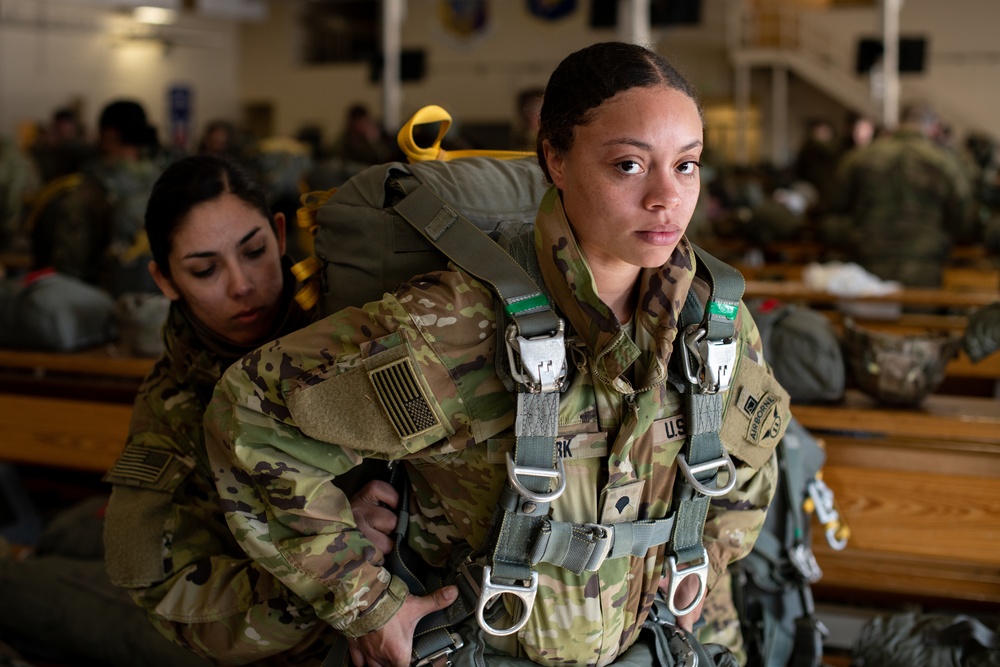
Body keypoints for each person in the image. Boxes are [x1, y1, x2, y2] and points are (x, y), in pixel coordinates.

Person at [204, 42, 787, 667]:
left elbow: (749, 455)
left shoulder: (711, 319)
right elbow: (253, 414)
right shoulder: (461, 327)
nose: (666, 197)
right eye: (628, 165)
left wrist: (707, 558)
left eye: (688, 165)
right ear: (555, 160)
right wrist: (366, 603)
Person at [102, 154, 398, 665]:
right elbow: (168, 595)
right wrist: (327, 568)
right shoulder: (170, 407)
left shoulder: (358, 318)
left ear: (280, 234)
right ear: (165, 280)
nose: (241, 284)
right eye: (204, 269)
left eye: (255, 251)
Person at [825, 103, 976, 288]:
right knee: (919, 315)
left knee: (870, 314)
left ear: (899, 122)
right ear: (932, 126)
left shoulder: (860, 156)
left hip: (868, 259)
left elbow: (834, 208)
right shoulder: (944, 160)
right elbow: (962, 217)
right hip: (923, 261)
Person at [39, 99, 164, 296]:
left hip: (107, 304)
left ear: (109, 134)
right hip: (164, 304)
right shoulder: (166, 179)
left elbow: (70, 262)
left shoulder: (89, 187)